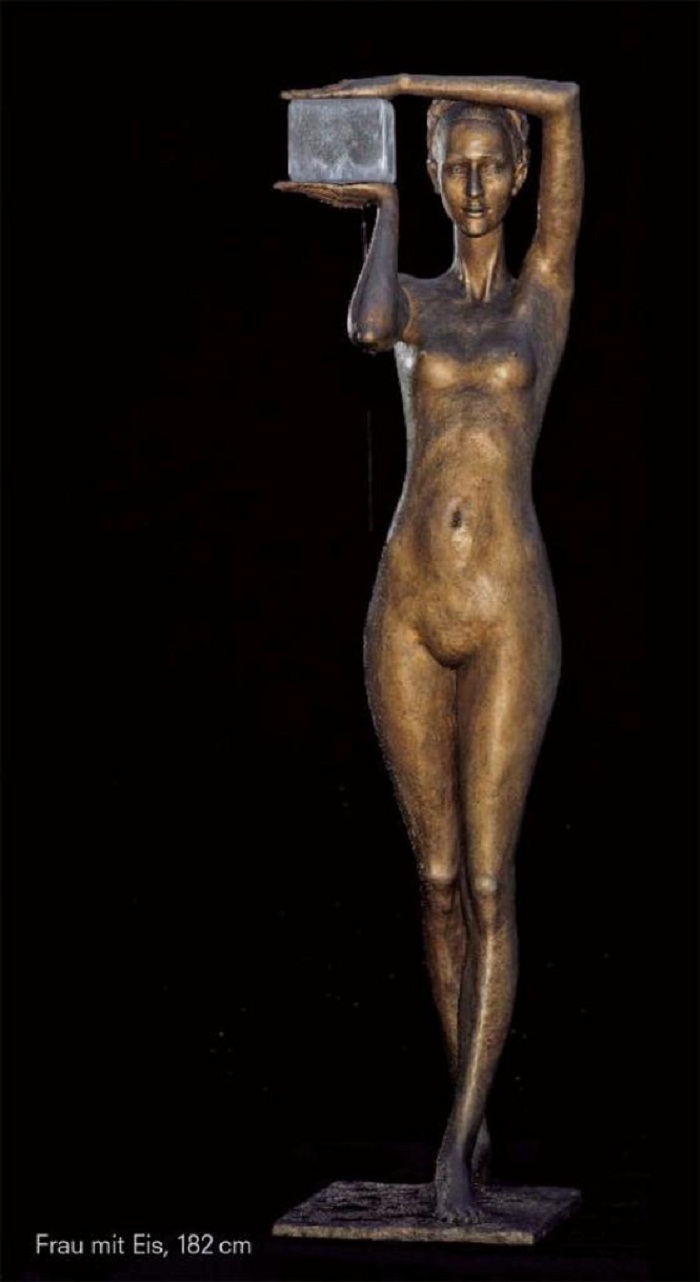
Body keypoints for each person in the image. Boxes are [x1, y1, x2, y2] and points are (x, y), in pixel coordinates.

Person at [277, 73, 583, 1225]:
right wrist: (384, 205)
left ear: (519, 173)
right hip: (405, 604)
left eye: (489, 163)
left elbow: (562, 99)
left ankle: (455, 1149)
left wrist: (407, 86)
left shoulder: (544, 292)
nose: (474, 184)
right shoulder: (412, 296)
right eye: (452, 165)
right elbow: (365, 328)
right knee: (437, 878)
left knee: (493, 881)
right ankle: (471, 1121)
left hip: (505, 605)